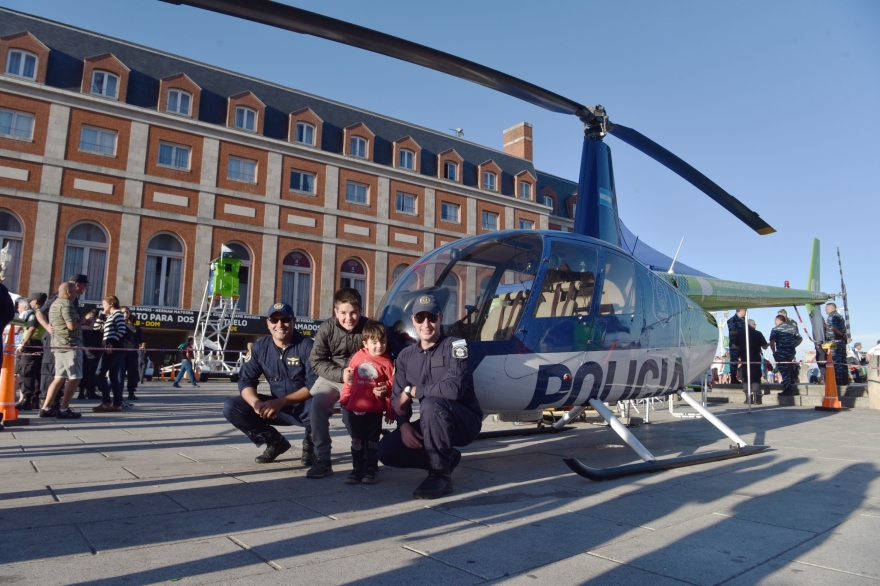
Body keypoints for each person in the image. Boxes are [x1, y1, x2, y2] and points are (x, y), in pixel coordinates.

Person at [378, 294, 483, 500]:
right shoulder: (406, 356)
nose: (426, 324)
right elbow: (397, 398)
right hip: (433, 420)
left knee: (431, 403)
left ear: (441, 318)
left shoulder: (457, 346)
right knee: (386, 450)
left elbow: (454, 389)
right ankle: (446, 458)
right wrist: (403, 425)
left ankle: (440, 475)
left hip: (463, 421)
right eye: (420, 318)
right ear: (413, 320)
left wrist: (413, 391)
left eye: (432, 318)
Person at [223, 302, 315, 464]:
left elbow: (314, 385)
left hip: (304, 407)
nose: (280, 324)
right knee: (232, 407)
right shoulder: (260, 348)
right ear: (268, 323)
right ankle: (275, 442)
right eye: (274, 320)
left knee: (320, 404)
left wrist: (281, 402)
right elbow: (246, 381)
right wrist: (256, 403)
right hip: (276, 408)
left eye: (285, 320)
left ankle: (311, 445)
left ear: (294, 321)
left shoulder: (308, 346)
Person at [307, 288, 370, 479]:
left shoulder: (369, 327)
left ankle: (364, 457)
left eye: (353, 312)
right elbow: (316, 360)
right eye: (343, 313)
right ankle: (322, 459)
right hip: (333, 375)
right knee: (317, 405)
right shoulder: (327, 328)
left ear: (360, 310)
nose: (348, 318)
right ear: (336, 312)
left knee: (352, 415)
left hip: (360, 378)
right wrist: (340, 374)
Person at [340, 320, 395, 485]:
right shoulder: (357, 357)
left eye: (383, 341)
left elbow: (393, 386)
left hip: (375, 411)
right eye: (375, 342)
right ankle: (357, 469)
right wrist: (344, 398)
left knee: (372, 442)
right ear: (365, 343)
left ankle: (371, 469)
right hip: (355, 409)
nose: (379, 346)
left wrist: (390, 410)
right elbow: (349, 380)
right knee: (356, 441)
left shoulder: (387, 362)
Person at [35, 275, 89, 405]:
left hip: (59, 342)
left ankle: (47, 405)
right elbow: (39, 313)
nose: (85, 289)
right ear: (76, 285)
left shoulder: (70, 300)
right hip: (67, 343)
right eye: (84, 285)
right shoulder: (62, 300)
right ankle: (62, 407)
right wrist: (47, 326)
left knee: (59, 376)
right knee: (73, 376)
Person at [92, 295, 128, 412]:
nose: (102, 306)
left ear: (111, 303)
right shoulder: (110, 316)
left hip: (113, 348)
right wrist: (102, 314)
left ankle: (106, 401)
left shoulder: (117, 314)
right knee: (113, 376)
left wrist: (111, 343)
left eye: (104, 304)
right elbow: (96, 328)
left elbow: (122, 329)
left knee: (99, 373)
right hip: (113, 348)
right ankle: (117, 403)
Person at [14, 293, 46, 410]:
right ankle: (35, 399)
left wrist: (24, 343)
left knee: (26, 373)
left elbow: (31, 328)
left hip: (31, 344)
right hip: (40, 345)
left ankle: (26, 400)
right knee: (37, 374)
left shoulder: (34, 313)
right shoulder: (45, 312)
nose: (30, 304)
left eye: (31, 301)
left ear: (36, 301)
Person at [731, 318, 769, 405]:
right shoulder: (758, 333)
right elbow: (764, 346)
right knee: (755, 376)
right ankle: (757, 397)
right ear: (752, 325)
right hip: (755, 357)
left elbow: (733, 346)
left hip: (744, 357)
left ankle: (748, 397)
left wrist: (741, 348)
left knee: (746, 376)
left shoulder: (740, 333)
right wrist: (767, 345)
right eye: (755, 324)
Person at [769, 314, 803, 396]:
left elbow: (772, 342)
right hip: (790, 352)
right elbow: (800, 339)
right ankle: (789, 383)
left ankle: (787, 389)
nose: (774, 322)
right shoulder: (792, 328)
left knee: (784, 370)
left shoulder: (776, 329)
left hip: (781, 352)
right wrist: (793, 346)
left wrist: (774, 352)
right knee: (789, 368)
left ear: (778, 320)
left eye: (775, 320)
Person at [78, 309, 102, 400]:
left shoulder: (83, 324)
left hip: (83, 349)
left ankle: (81, 392)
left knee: (83, 371)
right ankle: (90, 392)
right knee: (92, 372)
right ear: (97, 316)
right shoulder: (98, 324)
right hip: (94, 350)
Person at [121, 308, 143, 401]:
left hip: (122, 353)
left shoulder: (122, 326)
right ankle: (131, 393)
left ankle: (119, 392)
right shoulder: (137, 329)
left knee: (120, 373)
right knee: (132, 374)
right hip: (132, 353)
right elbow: (141, 341)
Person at [824, 302, 848, 386]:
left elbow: (833, 328)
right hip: (841, 342)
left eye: (826, 308)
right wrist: (843, 335)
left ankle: (838, 382)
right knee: (842, 361)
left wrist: (840, 334)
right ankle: (845, 380)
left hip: (834, 341)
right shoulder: (840, 316)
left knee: (836, 362)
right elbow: (844, 328)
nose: (825, 310)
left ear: (831, 308)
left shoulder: (832, 316)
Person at [727, 310, 746, 384]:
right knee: (734, 362)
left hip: (743, 345)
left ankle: (745, 377)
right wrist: (744, 332)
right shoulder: (732, 320)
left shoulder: (743, 320)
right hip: (735, 344)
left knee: (744, 361)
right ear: (741, 310)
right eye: (744, 310)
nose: (745, 312)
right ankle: (733, 378)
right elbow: (732, 331)